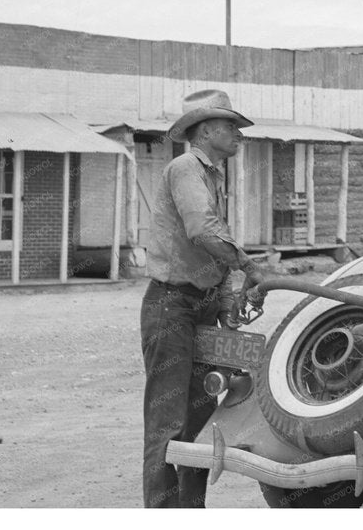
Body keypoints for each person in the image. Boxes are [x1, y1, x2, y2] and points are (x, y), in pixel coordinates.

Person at [141, 88, 274, 508]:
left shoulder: (211, 174)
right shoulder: (186, 169)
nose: (238, 134)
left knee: (199, 421)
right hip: (171, 306)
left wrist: (226, 303)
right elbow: (202, 231)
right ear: (204, 131)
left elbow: (210, 245)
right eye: (230, 126)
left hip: (198, 305)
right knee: (168, 423)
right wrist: (250, 267)